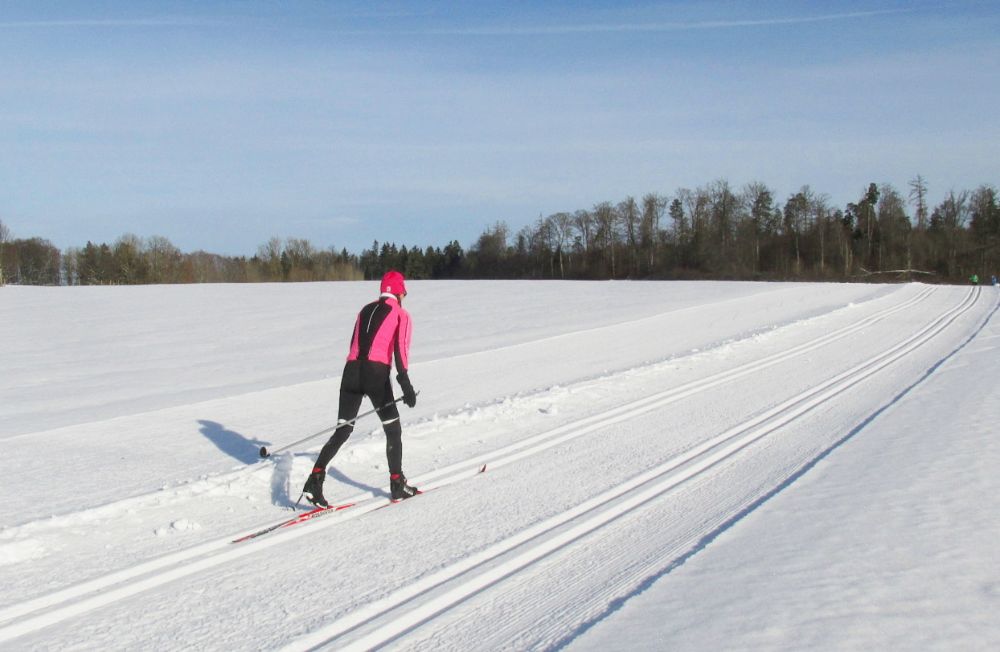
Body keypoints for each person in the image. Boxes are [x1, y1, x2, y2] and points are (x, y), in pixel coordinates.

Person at [301, 270, 420, 506]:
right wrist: (405, 384)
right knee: (392, 428)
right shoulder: (400, 314)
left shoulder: (364, 310)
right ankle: (397, 484)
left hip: (351, 372)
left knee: (343, 430)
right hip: (375, 374)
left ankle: (315, 479)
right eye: (403, 292)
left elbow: (354, 343)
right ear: (399, 292)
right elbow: (400, 349)